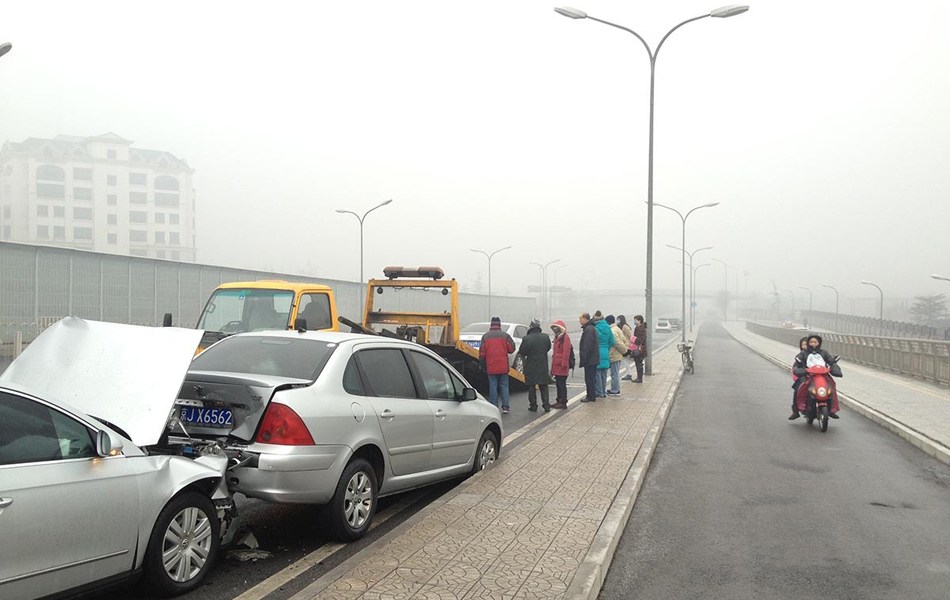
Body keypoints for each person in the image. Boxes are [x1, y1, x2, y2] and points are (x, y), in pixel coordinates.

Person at [792, 334, 842, 419]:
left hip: (823, 375)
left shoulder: (824, 353)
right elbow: (797, 365)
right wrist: (800, 371)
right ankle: (798, 409)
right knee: (799, 389)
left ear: (819, 343)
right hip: (808, 376)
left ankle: (832, 409)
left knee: (831, 386)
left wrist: (835, 369)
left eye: (815, 342)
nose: (813, 344)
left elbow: (831, 362)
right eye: (811, 342)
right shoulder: (803, 354)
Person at [479, 316, 515, 413]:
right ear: (499, 325)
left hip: (491, 367)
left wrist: (482, 365)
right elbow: (512, 349)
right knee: (504, 386)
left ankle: (494, 407)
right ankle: (505, 407)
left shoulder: (485, 336)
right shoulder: (505, 336)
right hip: (503, 367)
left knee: (493, 386)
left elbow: (482, 353)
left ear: (491, 325)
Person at [518, 319, 553, 412]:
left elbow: (522, 352)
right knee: (544, 386)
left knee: (531, 386)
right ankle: (546, 405)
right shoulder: (545, 337)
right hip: (542, 365)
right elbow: (548, 348)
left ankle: (533, 406)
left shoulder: (526, 338)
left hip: (530, 365)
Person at [550, 320, 573, 409]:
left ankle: (563, 401)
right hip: (556, 364)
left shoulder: (565, 337)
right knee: (558, 384)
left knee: (562, 384)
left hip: (562, 365)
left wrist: (564, 363)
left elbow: (566, 352)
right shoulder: (557, 337)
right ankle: (559, 400)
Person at [578, 312, 600, 402]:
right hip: (593, 359)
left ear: (585, 319)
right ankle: (591, 395)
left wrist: (584, 358)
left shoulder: (588, 329)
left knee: (589, 378)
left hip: (590, 360)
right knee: (591, 378)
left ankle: (590, 396)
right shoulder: (591, 328)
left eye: (580, 318)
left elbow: (587, 346)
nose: (579, 320)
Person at [788, 337, 809, 420]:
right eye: (803, 345)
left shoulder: (818, 355)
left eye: (806, 344)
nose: (804, 346)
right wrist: (799, 373)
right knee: (797, 390)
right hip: (803, 377)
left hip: (816, 376)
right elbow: (795, 368)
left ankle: (831, 408)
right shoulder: (800, 356)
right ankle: (795, 411)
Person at [593, 310, 612, 398]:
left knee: (597, 373)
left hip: (597, 352)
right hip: (605, 352)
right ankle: (603, 391)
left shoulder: (595, 328)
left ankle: (599, 392)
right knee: (604, 373)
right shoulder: (608, 327)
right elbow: (612, 341)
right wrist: (606, 348)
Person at [606, 315, 627, 395]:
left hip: (614, 354)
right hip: (617, 354)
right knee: (615, 373)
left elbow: (617, 343)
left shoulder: (612, 331)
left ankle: (615, 390)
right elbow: (624, 340)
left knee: (614, 374)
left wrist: (624, 351)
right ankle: (614, 388)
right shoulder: (617, 329)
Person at [617, 315, 635, 381]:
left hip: (627, 346)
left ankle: (629, 374)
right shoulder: (622, 326)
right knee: (626, 361)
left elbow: (630, 335)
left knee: (626, 361)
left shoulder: (625, 326)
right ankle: (628, 374)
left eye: (618, 319)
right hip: (625, 345)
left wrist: (631, 344)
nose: (618, 321)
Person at [631, 315, 647, 383]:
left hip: (640, 349)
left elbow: (640, 340)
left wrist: (633, 339)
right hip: (638, 348)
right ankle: (639, 377)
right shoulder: (638, 328)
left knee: (639, 363)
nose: (634, 322)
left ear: (639, 320)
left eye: (635, 320)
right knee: (638, 363)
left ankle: (639, 378)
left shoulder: (641, 329)